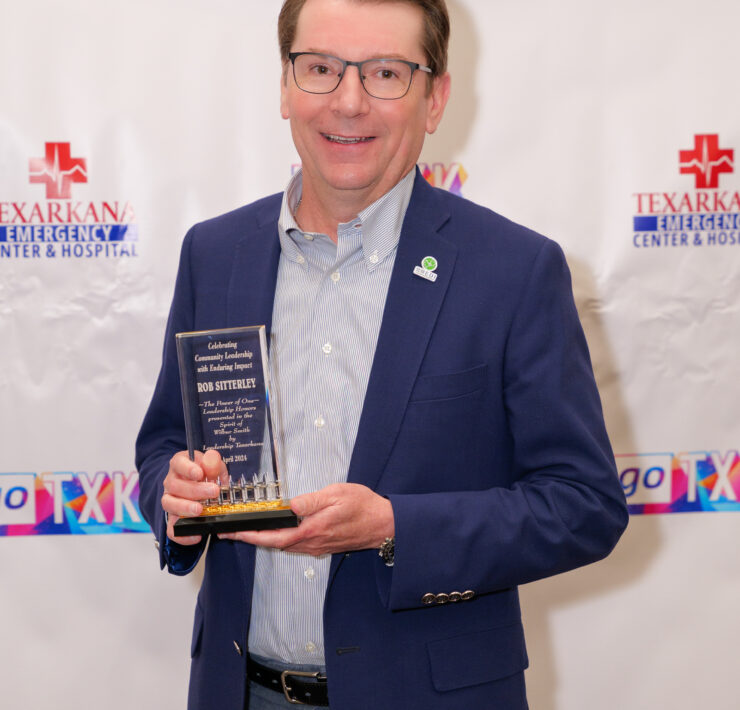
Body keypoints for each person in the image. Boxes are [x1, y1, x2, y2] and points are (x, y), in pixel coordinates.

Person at [135, 0, 628, 708]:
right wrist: (176, 495)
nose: (348, 101)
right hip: (238, 690)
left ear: (436, 99)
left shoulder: (513, 272)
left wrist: (396, 528)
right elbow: (164, 446)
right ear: (285, 86)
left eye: (387, 73)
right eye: (320, 68)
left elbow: (584, 505)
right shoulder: (215, 254)